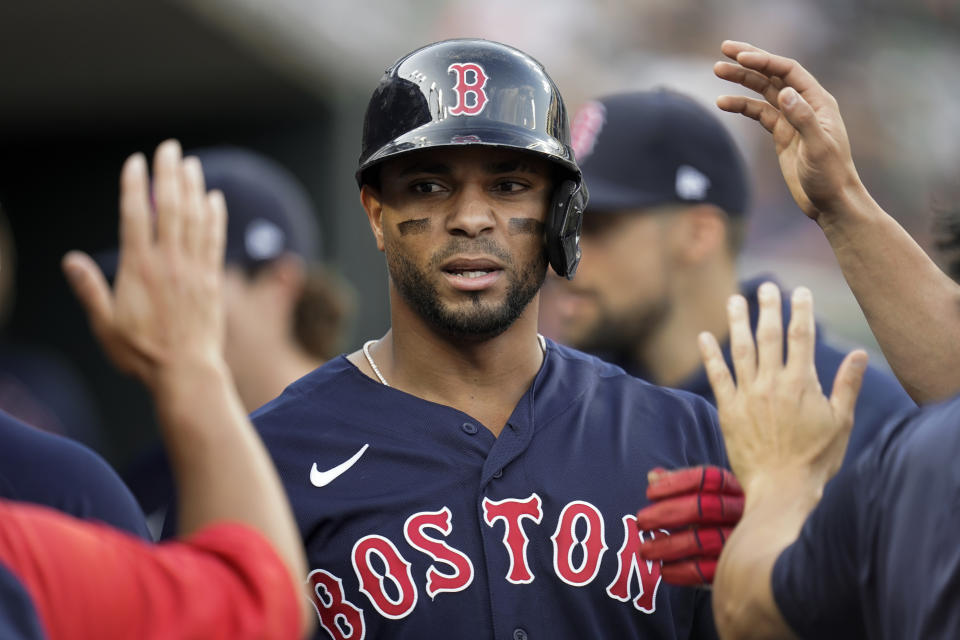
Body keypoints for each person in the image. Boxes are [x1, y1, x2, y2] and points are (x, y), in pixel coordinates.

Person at [249, 38, 726, 638]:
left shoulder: (681, 435)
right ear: (375, 214)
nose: (471, 218)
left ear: (559, 213)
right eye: (428, 185)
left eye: (508, 186)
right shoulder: (272, 455)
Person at [685, 40, 960, 639]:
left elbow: (751, 614)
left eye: (605, 227)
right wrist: (841, 201)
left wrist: (781, 478)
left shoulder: (906, 448)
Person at [0, 140, 313, 639]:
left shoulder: (375, 429)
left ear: (279, 285)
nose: (147, 299)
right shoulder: (140, 481)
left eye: (184, 275)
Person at [544, 88, 912, 468]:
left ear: (698, 234)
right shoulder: (559, 406)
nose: (561, 260)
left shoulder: (862, 419)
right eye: (562, 224)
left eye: (597, 226)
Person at [119, 146, 355, 533]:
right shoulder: (151, 476)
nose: (158, 303)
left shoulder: (370, 442)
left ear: (279, 284)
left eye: (183, 281)